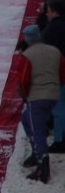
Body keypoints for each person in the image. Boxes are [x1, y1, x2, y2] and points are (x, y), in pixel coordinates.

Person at [18, 24, 65, 183]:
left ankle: (42, 166)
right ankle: (35, 153)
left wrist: (25, 95)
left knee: (37, 129)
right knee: (26, 118)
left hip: (37, 97)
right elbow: (63, 73)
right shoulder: (55, 51)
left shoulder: (28, 55)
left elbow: (23, 78)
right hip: (53, 94)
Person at [42, 1, 65, 153]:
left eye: (48, 11)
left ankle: (60, 140)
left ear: (55, 12)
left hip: (58, 73)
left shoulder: (52, 29)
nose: (47, 14)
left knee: (58, 107)